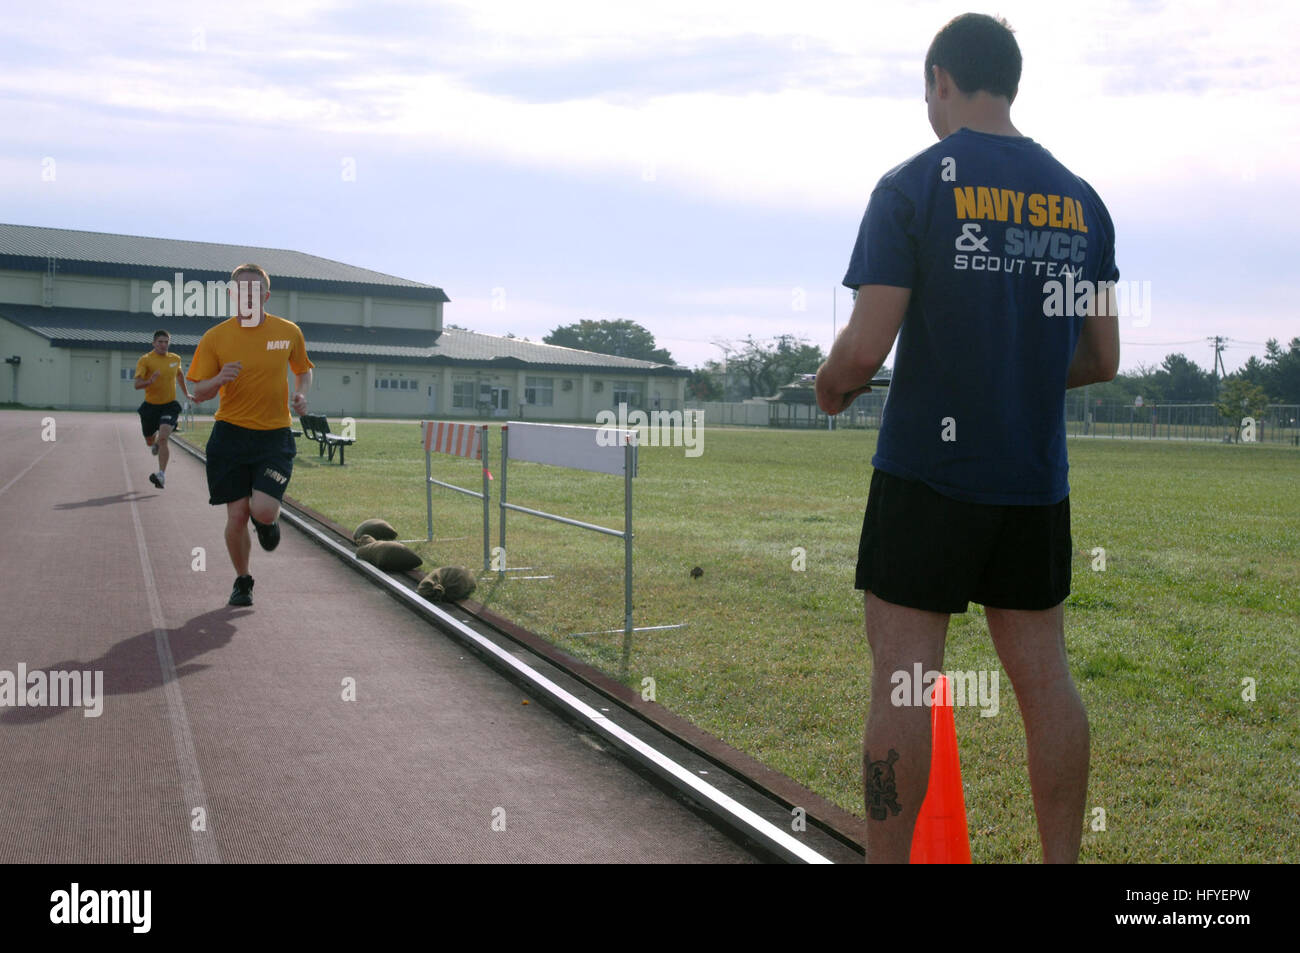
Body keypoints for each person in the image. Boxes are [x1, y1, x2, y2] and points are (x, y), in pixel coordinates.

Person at [815, 13, 1120, 863]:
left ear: (941, 79)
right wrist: (1014, 369)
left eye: (926, 89)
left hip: (927, 476)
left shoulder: (912, 186)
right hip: (1033, 481)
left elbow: (867, 345)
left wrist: (832, 384)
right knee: (1046, 680)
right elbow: (1103, 358)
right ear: (1010, 82)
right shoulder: (1082, 200)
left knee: (906, 677)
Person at [187, 264, 314, 606]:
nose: (247, 295)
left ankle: (268, 522)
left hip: (274, 436)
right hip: (230, 436)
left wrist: (302, 395)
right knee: (237, 514)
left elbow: (302, 371)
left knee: (262, 511)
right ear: (232, 295)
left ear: (265, 296)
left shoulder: (288, 332)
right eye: (240, 289)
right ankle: (243, 581)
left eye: (254, 289)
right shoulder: (216, 337)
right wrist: (218, 380)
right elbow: (197, 392)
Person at [134, 330, 191, 489]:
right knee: (149, 441)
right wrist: (149, 381)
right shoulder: (145, 360)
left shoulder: (175, 359)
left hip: (169, 405)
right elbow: (137, 384)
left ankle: (161, 475)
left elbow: (179, 375)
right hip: (150, 407)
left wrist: (186, 393)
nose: (163, 345)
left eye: (166, 342)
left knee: (164, 437)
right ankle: (155, 441)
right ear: (154, 343)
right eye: (160, 342)